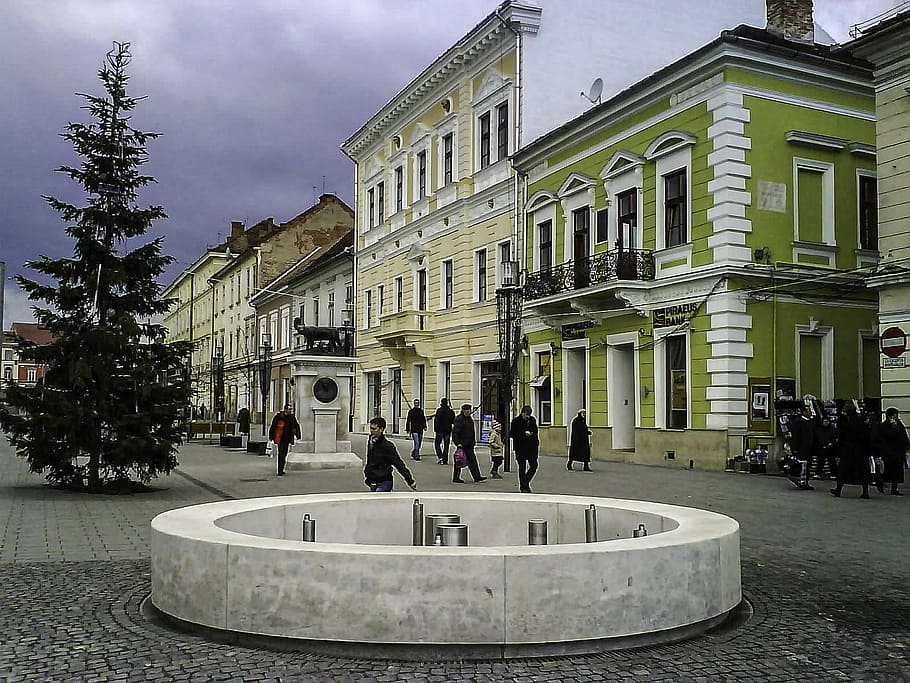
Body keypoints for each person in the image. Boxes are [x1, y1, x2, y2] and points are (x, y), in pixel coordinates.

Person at [363, 416, 417, 492]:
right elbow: (370, 460)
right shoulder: (371, 441)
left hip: (384, 481)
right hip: (372, 480)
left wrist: (410, 481)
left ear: (381, 429)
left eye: (374, 429)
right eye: (371, 428)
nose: (371, 431)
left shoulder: (387, 446)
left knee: (379, 497)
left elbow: (398, 463)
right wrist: (367, 473)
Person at [831, 402, 872, 498]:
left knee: (843, 470)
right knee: (863, 471)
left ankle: (838, 490)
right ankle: (865, 492)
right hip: (861, 450)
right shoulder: (861, 420)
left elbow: (841, 434)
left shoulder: (846, 421)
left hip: (848, 449)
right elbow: (867, 435)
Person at [875, 407, 909, 496]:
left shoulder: (899, 424)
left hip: (898, 452)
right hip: (888, 452)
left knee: (896, 471)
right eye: (895, 415)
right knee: (885, 470)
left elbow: (903, 435)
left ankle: (894, 488)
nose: (896, 417)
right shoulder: (883, 426)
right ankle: (880, 484)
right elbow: (887, 436)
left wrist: (906, 446)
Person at [451, 403, 486, 483]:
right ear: (463, 411)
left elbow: (471, 432)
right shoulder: (459, 419)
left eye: (469, 410)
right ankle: (456, 477)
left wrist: (473, 442)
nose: (469, 411)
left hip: (469, 444)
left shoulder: (469, 419)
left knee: (472, 461)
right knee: (459, 460)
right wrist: (457, 443)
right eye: (467, 410)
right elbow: (455, 432)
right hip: (462, 444)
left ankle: (477, 477)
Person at [511, 405, 540, 493]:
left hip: (532, 448)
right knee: (522, 468)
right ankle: (524, 487)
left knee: (534, 465)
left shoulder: (532, 420)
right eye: (526, 415)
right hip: (521, 448)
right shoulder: (516, 421)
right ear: (522, 413)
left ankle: (525, 482)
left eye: (529, 415)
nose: (528, 417)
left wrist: (533, 436)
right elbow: (512, 434)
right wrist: (524, 434)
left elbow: (535, 432)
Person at [268, 403, 301, 476]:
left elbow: (296, 425)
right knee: (281, 454)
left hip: (288, 438)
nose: (290, 411)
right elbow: (273, 426)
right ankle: (280, 470)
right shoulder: (279, 416)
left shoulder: (291, 417)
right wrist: (271, 436)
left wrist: (298, 435)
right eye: (289, 409)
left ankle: (282, 468)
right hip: (280, 438)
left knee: (285, 453)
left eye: (291, 409)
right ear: (285, 409)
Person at [432, 398, 456, 465]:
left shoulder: (439, 411)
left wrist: (435, 429)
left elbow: (436, 421)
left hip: (439, 430)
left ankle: (440, 457)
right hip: (448, 430)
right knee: (446, 445)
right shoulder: (450, 411)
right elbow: (453, 421)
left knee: (437, 444)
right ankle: (445, 460)